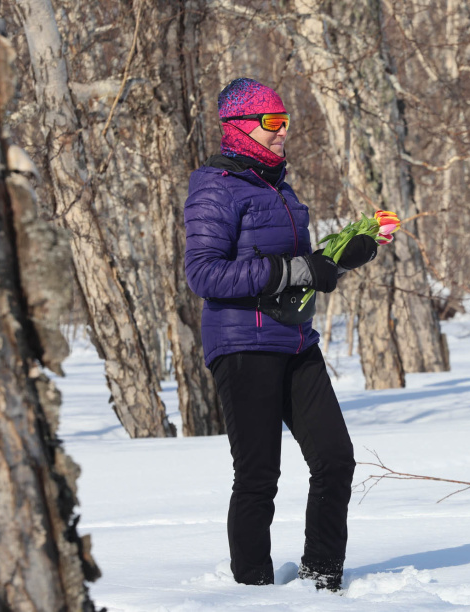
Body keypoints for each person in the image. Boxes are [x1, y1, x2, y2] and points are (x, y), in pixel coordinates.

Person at [183, 78, 378, 591]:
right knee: (258, 475)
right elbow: (203, 273)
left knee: (335, 459)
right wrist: (294, 271)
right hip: (242, 343)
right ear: (238, 128)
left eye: (285, 121)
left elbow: (306, 266)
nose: (281, 131)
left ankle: (321, 579)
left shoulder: (280, 188)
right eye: (270, 122)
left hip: (295, 340)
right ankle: (252, 590)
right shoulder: (215, 186)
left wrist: (349, 249)